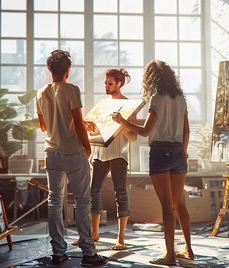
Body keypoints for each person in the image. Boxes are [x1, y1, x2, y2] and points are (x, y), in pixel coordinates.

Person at [112, 60, 194, 265]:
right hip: (178, 152)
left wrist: (122, 121)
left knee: (167, 204)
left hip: (160, 152)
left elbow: (146, 131)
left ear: (152, 78)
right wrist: (182, 153)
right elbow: (187, 131)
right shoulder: (180, 99)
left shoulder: (156, 98)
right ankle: (189, 250)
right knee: (179, 203)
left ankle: (170, 256)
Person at [36, 49, 108, 266]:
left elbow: (43, 126)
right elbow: (77, 123)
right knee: (83, 201)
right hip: (73, 152)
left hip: (51, 152)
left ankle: (58, 252)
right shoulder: (72, 90)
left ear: (50, 70)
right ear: (67, 70)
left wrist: (60, 123)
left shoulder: (40, 93)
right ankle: (88, 253)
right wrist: (87, 146)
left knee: (55, 202)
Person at [85, 68, 137, 250]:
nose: (106, 86)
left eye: (110, 83)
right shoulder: (103, 105)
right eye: (105, 83)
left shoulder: (129, 105)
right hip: (100, 153)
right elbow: (97, 133)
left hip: (118, 154)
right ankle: (94, 233)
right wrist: (91, 128)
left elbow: (133, 137)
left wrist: (121, 122)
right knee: (93, 191)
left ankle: (121, 238)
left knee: (120, 192)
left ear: (119, 84)